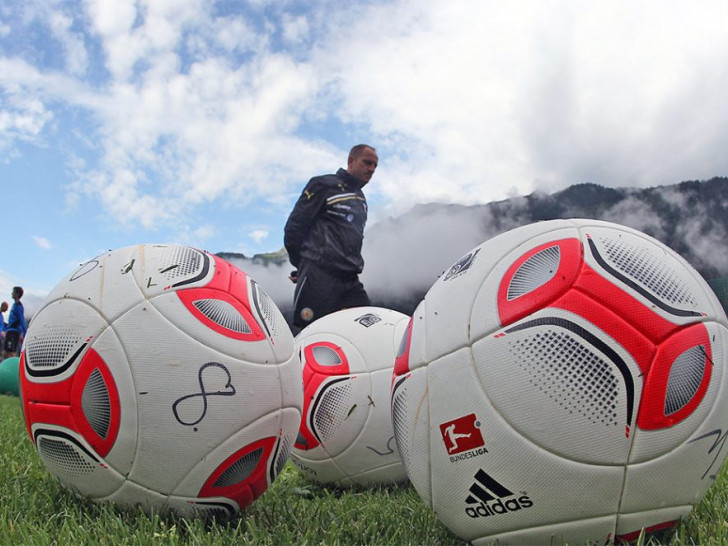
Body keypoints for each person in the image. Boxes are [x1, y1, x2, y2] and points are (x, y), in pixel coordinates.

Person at [284, 144, 378, 330]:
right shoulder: (323, 185)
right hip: (319, 275)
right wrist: (302, 265)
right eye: (367, 163)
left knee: (370, 330)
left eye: (375, 166)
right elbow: (295, 228)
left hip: (351, 279)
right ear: (351, 161)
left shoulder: (361, 199)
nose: (371, 169)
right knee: (314, 334)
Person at [3, 287, 27, 359]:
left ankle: (10, 368)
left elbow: (21, 319)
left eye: (13, 292)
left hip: (14, 332)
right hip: (9, 331)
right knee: (6, 352)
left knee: (11, 352)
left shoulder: (19, 306)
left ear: (17, 294)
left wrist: (24, 333)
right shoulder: (14, 305)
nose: (11, 293)